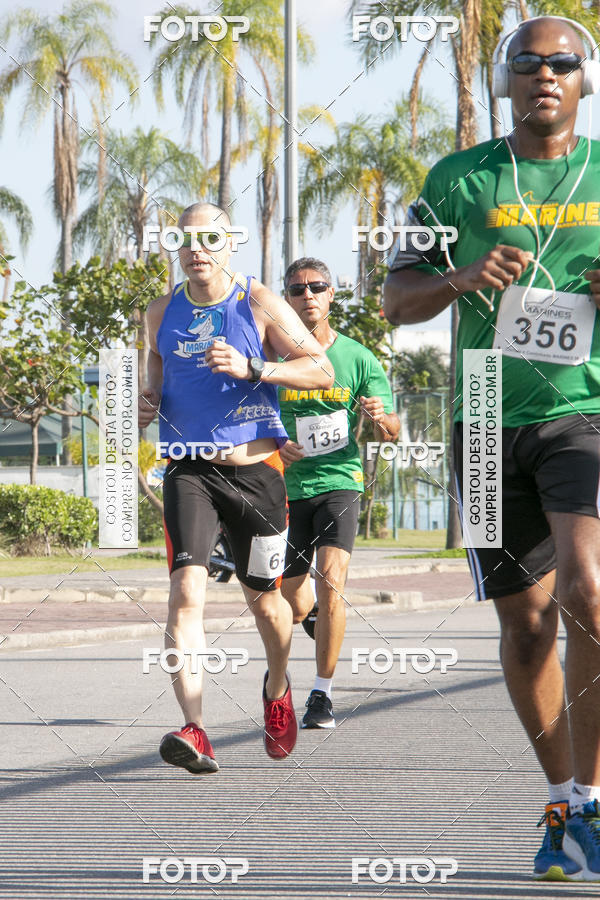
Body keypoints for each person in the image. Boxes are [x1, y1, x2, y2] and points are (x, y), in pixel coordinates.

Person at [383, 16, 600, 881]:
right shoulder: (459, 179)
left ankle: (593, 792)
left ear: (584, 79)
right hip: (481, 413)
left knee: (588, 589)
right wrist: (457, 279)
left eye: (563, 63)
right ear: (505, 79)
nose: (545, 75)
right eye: (528, 63)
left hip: (583, 409)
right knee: (525, 626)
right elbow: (397, 300)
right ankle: (563, 805)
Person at [138, 203, 333, 773]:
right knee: (184, 597)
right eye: (187, 238)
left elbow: (320, 369)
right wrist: (150, 400)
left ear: (230, 244)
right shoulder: (159, 310)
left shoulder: (257, 301)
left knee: (268, 605)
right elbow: (156, 365)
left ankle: (277, 688)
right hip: (188, 470)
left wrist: (254, 367)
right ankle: (195, 730)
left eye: (210, 238)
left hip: (256, 473)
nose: (197, 248)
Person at [278, 257, 400, 728]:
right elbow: (248, 417)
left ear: (331, 295)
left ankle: (322, 694)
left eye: (317, 287)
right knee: (289, 597)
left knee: (331, 582)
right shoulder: (276, 354)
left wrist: (379, 418)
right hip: (286, 487)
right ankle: (314, 620)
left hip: (339, 482)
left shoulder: (358, 358)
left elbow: (392, 428)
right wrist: (275, 448)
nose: (307, 295)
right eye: (297, 289)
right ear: (285, 298)